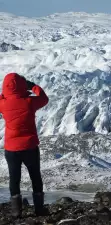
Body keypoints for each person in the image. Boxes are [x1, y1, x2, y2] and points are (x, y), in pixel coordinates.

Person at [0, 73, 49, 217]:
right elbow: (44, 99)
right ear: (22, 85)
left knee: (14, 179)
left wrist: (5, 95)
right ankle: (39, 209)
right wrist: (32, 86)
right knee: (35, 177)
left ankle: (16, 212)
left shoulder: (2, 104)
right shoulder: (29, 101)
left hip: (11, 149)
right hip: (30, 147)